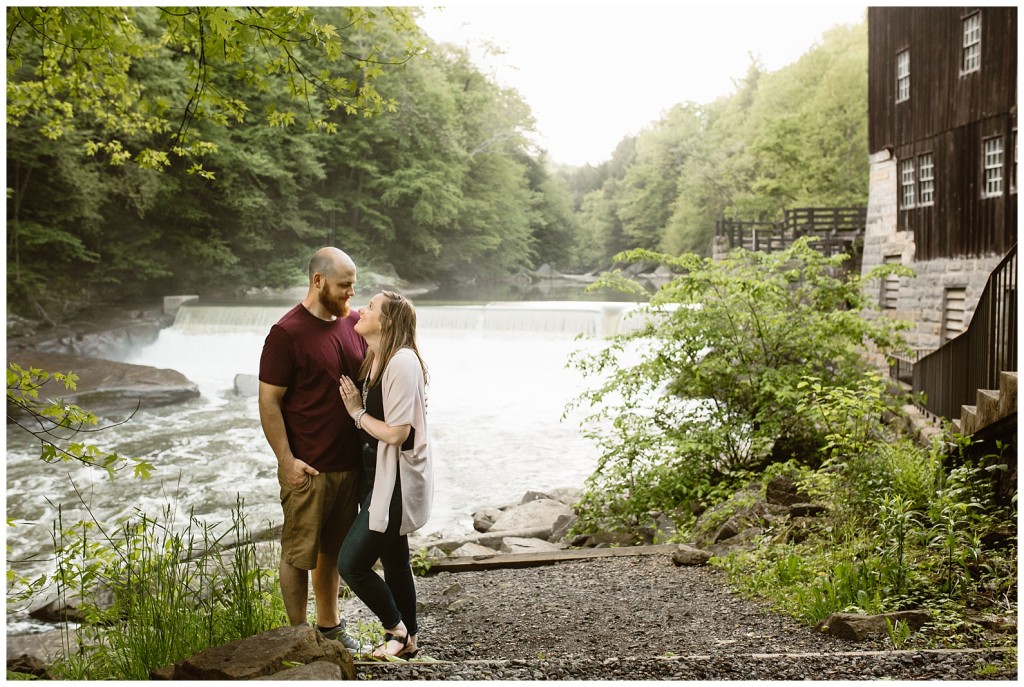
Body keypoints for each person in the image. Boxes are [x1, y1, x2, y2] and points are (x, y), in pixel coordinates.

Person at [258, 247, 366, 650]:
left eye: (353, 287)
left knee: (332, 552)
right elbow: (269, 402)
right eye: (343, 287)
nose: (350, 295)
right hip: (309, 468)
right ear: (318, 282)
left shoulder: (353, 322)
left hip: (349, 466)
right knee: (298, 553)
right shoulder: (286, 334)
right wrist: (286, 461)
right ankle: (297, 636)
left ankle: (329, 627)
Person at [337, 290, 433, 660]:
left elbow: (397, 433)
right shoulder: (377, 357)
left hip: (394, 483)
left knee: (351, 564)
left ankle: (394, 627)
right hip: (375, 476)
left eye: (371, 307)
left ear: (388, 321)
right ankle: (408, 640)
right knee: (395, 561)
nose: (362, 308)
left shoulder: (402, 362)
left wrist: (356, 413)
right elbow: (343, 315)